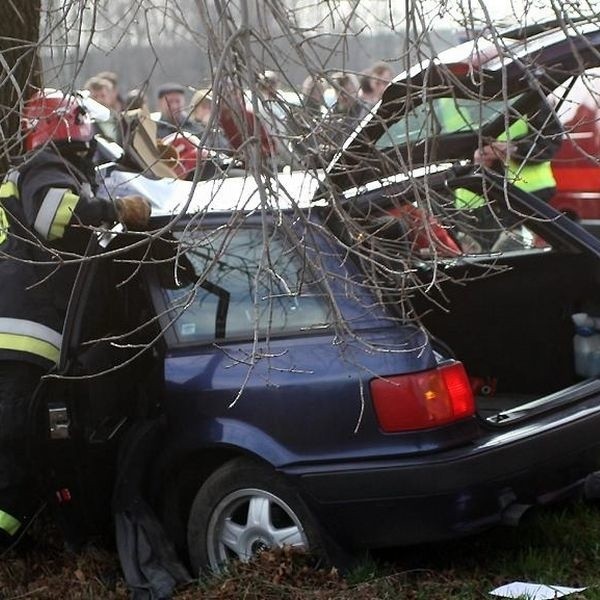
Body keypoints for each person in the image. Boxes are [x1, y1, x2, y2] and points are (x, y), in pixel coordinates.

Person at [0, 89, 151, 545]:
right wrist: (115, 210)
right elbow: (53, 218)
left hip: (18, 332)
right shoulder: (47, 168)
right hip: (23, 335)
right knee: (13, 444)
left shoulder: (38, 170)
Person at [84, 76, 123, 144]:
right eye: (95, 97)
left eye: (103, 96)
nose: (99, 100)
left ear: (110, 96)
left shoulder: (121, 121)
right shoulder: (85, 123)